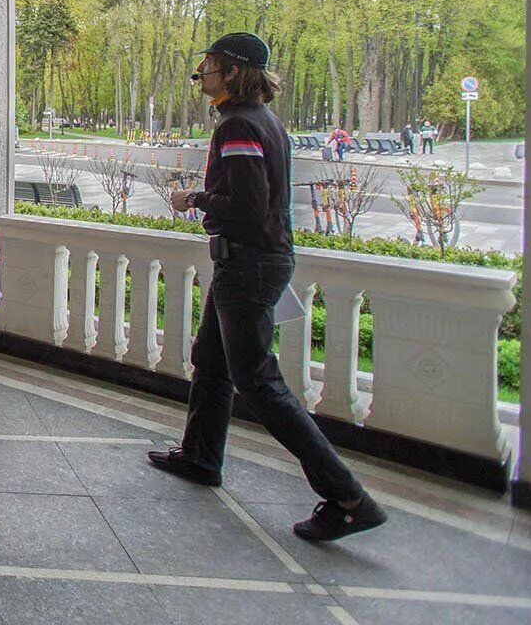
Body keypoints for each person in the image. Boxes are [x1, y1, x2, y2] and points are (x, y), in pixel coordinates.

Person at [156, 32, 386, 541]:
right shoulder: (264, 121)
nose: (201, 73)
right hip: (251, 263)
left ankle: (348, 497)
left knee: (259, 382)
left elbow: (247, 206)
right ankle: (200, 456)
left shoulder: (237, 123)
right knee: (210, 360)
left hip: (249, 266)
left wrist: (195, 198)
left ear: (234, 72)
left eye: (208, 65)